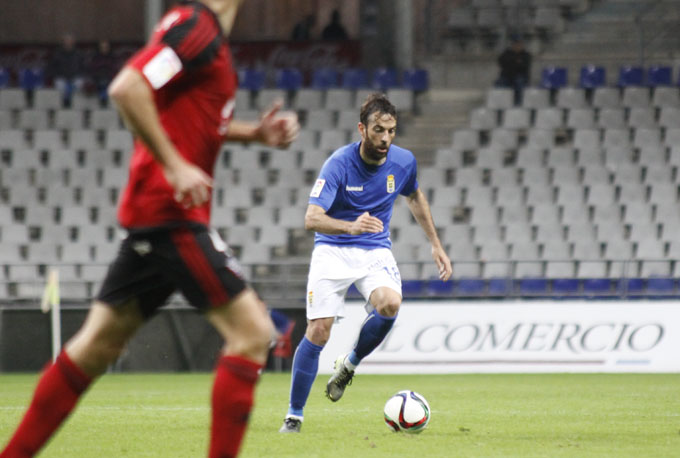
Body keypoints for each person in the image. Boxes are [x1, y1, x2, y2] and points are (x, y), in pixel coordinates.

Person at [0, 1, 299, 457]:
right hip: (172, 215)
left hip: (153, 216)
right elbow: (128, 87)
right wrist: (175, 166)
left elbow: (192, 116)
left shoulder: (203, 36)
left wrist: (252, 134)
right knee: (253, 333)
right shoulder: (197, 28)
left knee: (94, 348)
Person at [278, 93, 452, 433]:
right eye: (378, 130)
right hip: (333, 249)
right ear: (362, 129)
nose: (385, 138)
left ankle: (349, 364)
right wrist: (350, 226)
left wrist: (435, 243)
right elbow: (312, 218)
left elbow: (414, 195)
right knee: (319, 329)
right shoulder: (338, 164)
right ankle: (294, 416)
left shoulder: (403, 162)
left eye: (391, 131)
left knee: (390, 304)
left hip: (374, 249)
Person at [46, 33, 85, 106]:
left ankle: (76, 104)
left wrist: (79, 75)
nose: (68, 43)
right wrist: (57, 75)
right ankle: (64, 104)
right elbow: (51, 67)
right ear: (63, 42)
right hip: (61, 77)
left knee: (79, 83)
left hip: (75, 77)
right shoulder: (57, 54)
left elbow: (83, 67)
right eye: (66, 41)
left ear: (73, 42)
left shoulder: (79, 54)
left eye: (70, 41)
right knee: (60, 85)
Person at [496, 35, 531, 105]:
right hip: (507, 76)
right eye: (515, 44)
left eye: (519, 44)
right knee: (500, 83)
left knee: (519, 82)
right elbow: (502, 63)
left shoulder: (526, 55)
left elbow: (523, 66)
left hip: (520, 76)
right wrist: (516, 62)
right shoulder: (506, 53)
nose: (517, 46)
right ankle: (501, 103)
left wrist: (511, 62)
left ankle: (518, 103)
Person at [88, 40, 118, 107]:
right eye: (102, 47)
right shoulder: (95, 57)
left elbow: (114, 69)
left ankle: (104, 98)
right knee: (101, 83)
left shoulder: (112, 57)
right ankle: (102, 98)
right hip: (98, 78)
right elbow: (93, 69)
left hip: (109, 78)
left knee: (106, 83)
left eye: (106, 47)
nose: (104, 49)